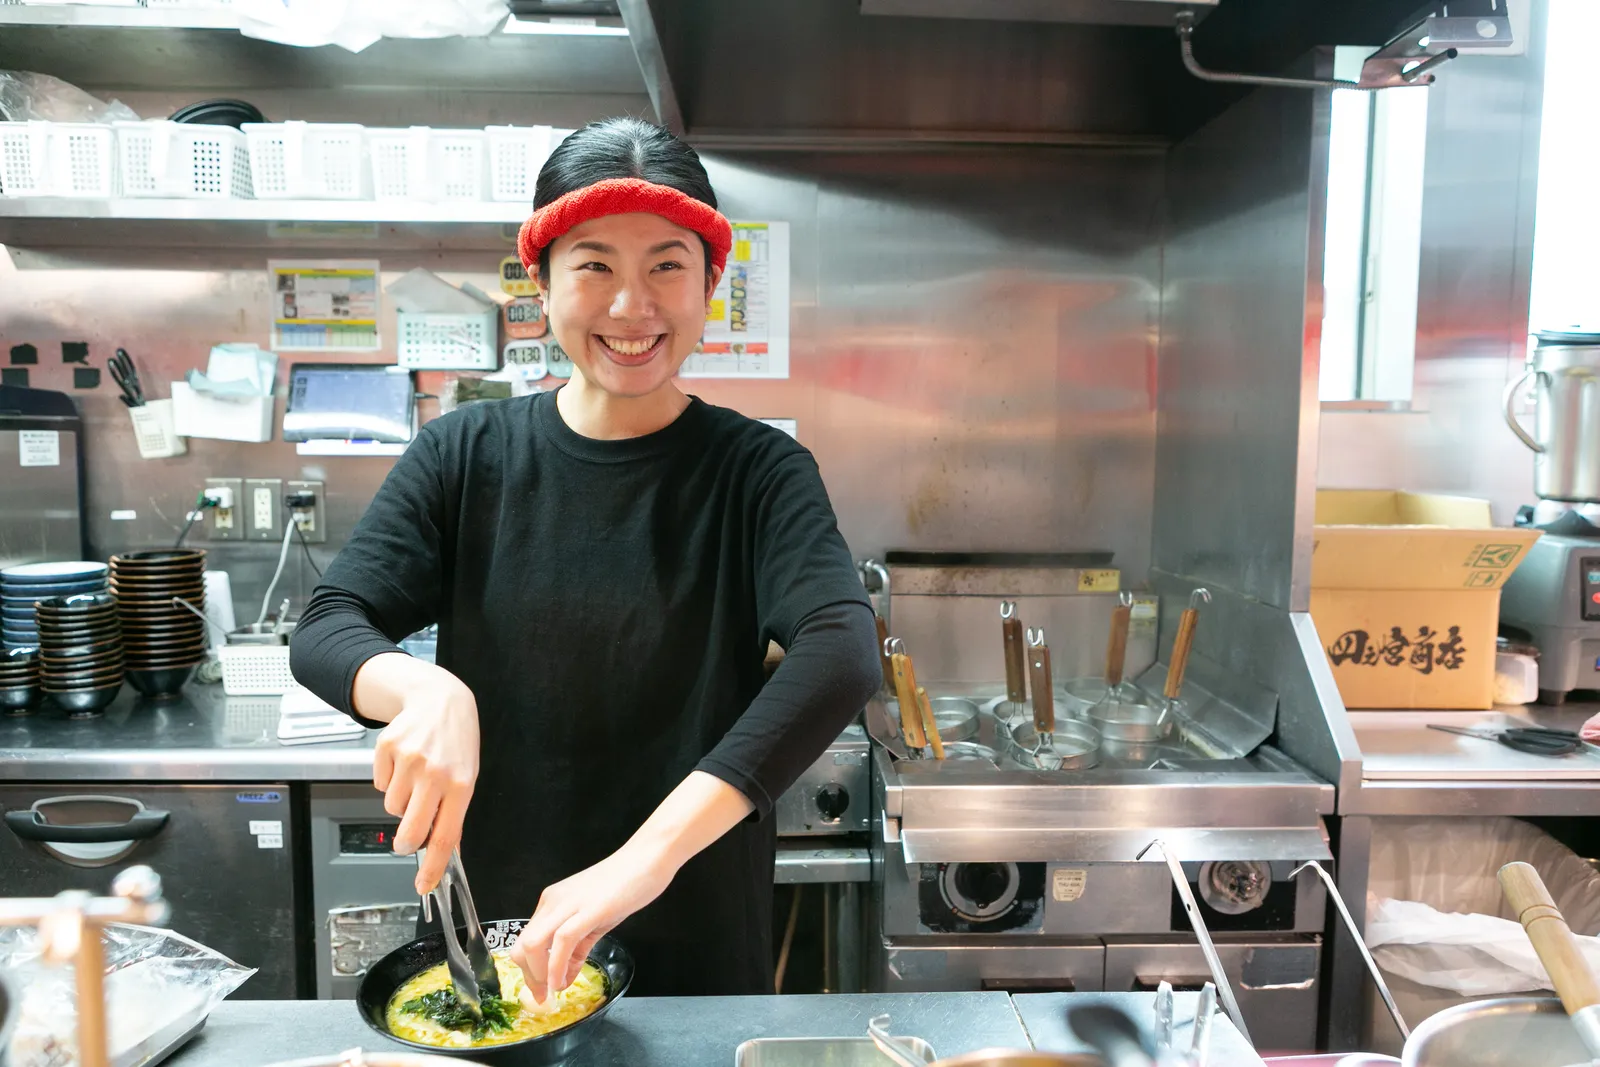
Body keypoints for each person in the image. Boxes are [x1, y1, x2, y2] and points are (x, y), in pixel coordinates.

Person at [290, 117, 880, 1002]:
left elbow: (841, 650)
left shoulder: (759, 471)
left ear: (711, 282)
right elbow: (328, 625)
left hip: (695, 948)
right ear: (542, 280)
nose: (631, 306)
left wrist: (640, 862)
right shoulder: (464, 455)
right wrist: (423, 689)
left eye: (667, 267)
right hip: (495, 950)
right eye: (595, 265)